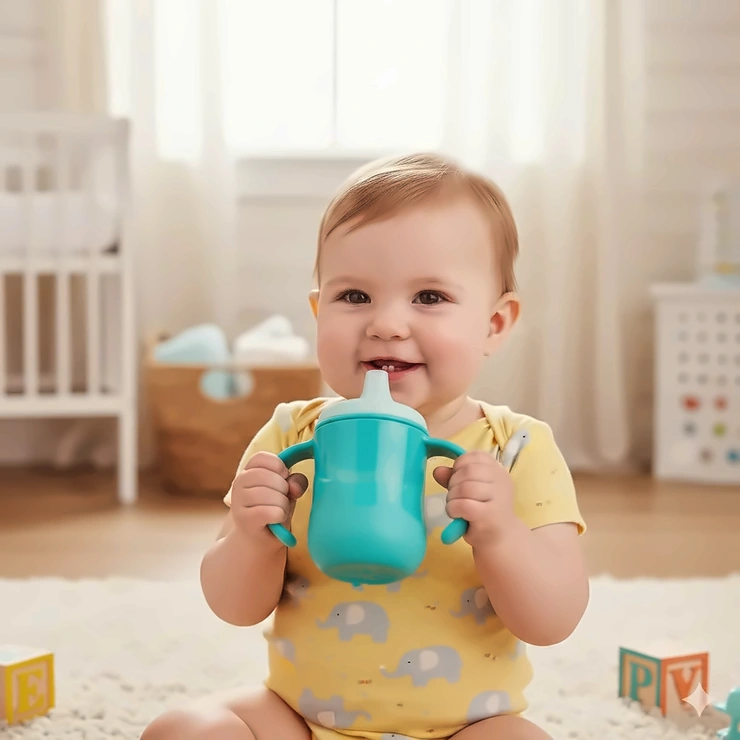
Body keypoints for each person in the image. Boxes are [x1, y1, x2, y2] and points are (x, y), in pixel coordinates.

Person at [141, 153, 589, 740]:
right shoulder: (291, 435)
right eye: (354, 297)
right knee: (183, 730)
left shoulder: (516, 447)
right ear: (317, 310)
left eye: (429, 297)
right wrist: (251, 535)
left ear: (494, 325)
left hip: (464, 728)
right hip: (300, 721)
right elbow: (234, 606)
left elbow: (553, 619)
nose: (387, 324)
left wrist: (501, 533)